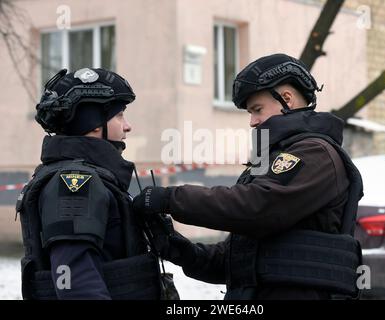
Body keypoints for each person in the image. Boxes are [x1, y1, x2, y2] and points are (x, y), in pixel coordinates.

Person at [133, 53, 364, 300]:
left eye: (257, 109)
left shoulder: (314, 153)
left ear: (287, 99)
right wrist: (177, 248)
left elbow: (257, 207)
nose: (253, 122)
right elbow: (236, 260)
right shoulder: (272, 159)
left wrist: (171, 198)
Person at [17, 68, 163, 300]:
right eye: (119, 115)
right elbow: (76, 282)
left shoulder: (94, 177)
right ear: (94, 124)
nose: (127, 126)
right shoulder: (76, 183)